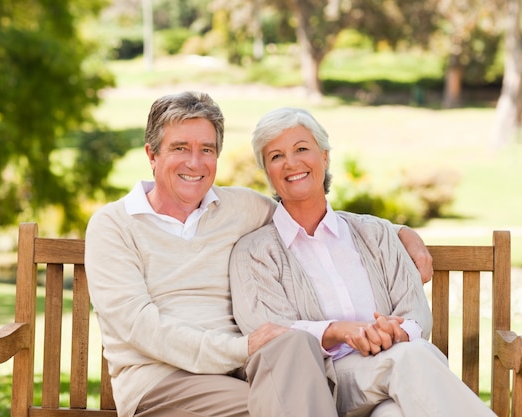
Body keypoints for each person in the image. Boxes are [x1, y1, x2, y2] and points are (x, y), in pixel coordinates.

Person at [84, 91, 432, 417]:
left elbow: (312, 213)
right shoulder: (113, 226)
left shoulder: (240, 207)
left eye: (207, 149)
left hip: (245, 372)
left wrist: (401, 233)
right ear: (152, 154)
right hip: (163, 382)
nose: (195, 162)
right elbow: (143, 328)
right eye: (180, 148)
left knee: (295, 344)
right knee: (289, 404)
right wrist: (241, 348)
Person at [229, 107, 498, 417]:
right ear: (267, 172)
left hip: (388, 377)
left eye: (302, 149)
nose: (291, 162)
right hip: (323, 384)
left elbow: (415, 314)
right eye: (276, 156)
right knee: (410, 357)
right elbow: (270, 333)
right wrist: (339, 331)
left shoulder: (377, 233)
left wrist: (392, 332)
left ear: (325, 157)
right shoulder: (254, 252)